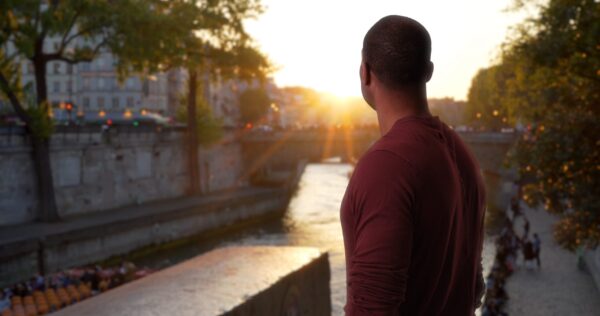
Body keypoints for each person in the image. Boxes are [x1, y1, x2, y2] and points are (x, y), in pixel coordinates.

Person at [341, 15, 486, 315]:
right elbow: (474, 288)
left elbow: (372, 308)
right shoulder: (462, 156)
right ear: (428, 71)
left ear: (365, 73)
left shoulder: (385, 166)